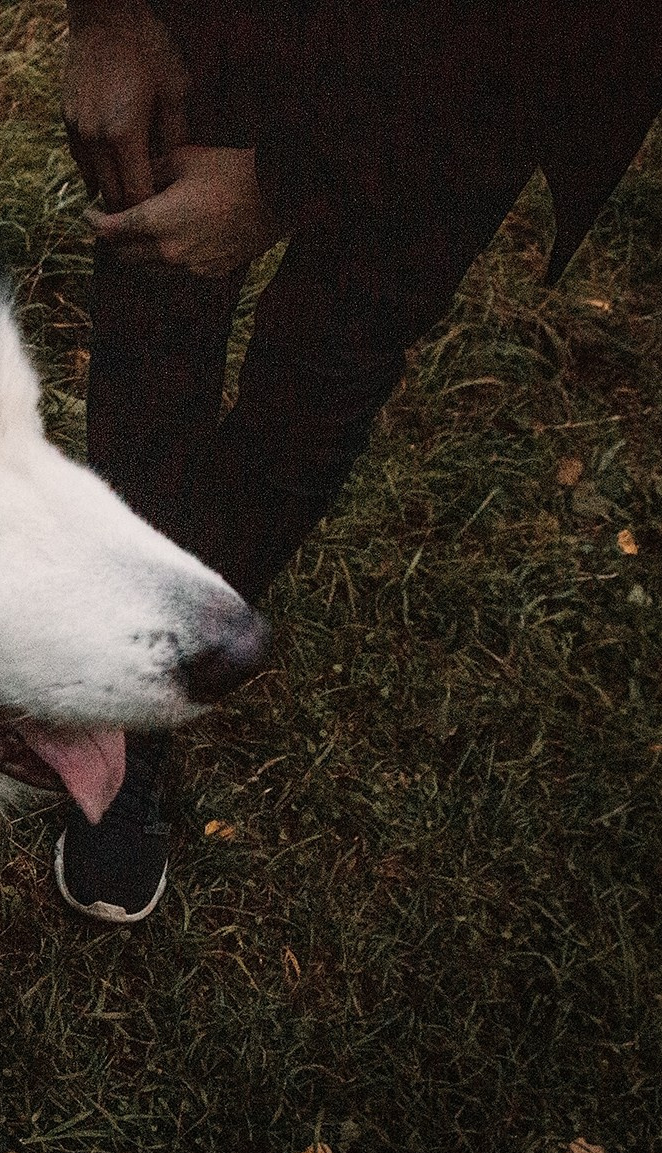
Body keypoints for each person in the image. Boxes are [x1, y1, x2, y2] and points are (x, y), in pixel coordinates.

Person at [52, 0, 662, 923]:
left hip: (478, 84)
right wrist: (110, 14)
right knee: (161, 281)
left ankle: (148, 690)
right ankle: (120, 663)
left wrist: (285, 186)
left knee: (326, 365)